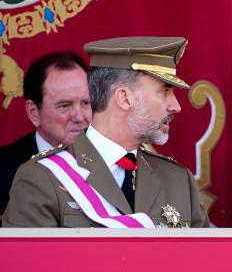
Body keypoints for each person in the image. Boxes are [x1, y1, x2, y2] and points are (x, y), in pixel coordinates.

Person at [3, 36, 208, 228]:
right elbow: (30, 265)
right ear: (124, 98)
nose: (176, 106)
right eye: (165, 91)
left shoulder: (178, 180)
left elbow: (205, 261)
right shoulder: (42, 177)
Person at [0, 51, 91, 218]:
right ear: (33, 112)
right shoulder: (3, 169)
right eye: (64, 105)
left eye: (86, 103)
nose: (79, 117)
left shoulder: (118, 161)